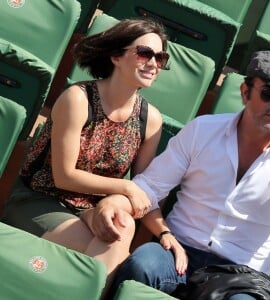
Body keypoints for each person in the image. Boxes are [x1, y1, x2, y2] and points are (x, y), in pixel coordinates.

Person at [100, 50, 270, 299]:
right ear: (245, 93)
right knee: (142, 265)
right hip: (179, 250)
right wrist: (118, 203)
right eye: (269, 93)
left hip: (242, 277)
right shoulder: (203, 130)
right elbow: (149, 187)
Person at [1, 18, 170, 292]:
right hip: (41, 199)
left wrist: (164, 232)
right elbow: (64, 176)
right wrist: (124, 186)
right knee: (110, 243)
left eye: (161, 57)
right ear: (116, 56)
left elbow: (145, 192)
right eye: (144, 53)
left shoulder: (150, 119)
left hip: (94, 210)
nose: (154, 63)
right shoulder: (77, 98)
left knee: (121, 224)